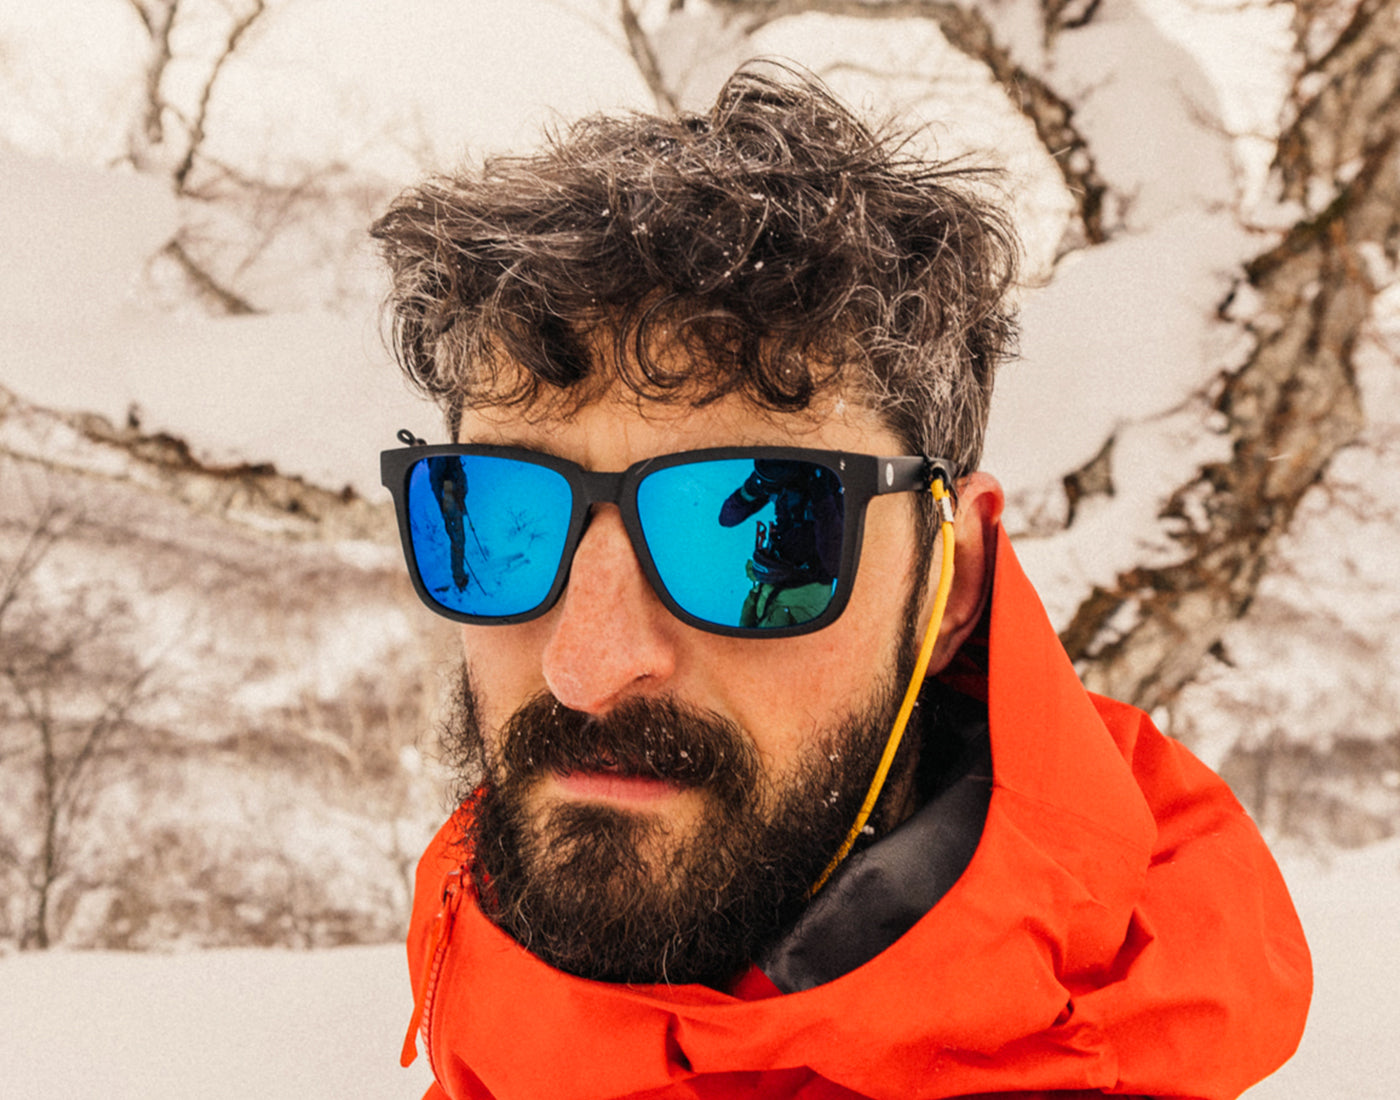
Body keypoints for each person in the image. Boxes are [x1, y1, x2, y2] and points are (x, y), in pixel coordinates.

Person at [371, 63, 1311, 1100]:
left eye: (760, 526)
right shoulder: (493, 1036)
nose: (585, 662)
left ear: (950, 586)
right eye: (500, 517)